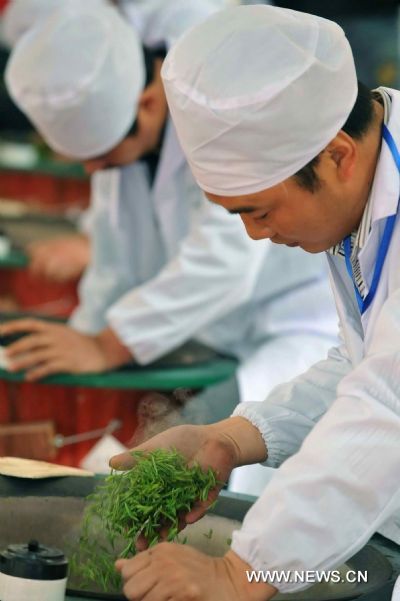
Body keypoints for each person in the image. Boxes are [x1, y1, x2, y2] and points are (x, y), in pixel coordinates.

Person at [105, 5, 400, 601]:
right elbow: (365, 363)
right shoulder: (367, 188)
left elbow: (387, 406)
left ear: (336, 155)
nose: (255, 236)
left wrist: (242, 572)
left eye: (259, 211)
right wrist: (232, 438)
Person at [1, 3, 336, 460]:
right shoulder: (128, 137)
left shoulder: (218, 111)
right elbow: (115, 245)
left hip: (292, 322)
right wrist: (84, 334)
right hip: (212, 329)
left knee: (230, 452)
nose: (93, 170)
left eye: (103, 155)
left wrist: (106, 345)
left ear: (149, 103)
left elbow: (225, 259)